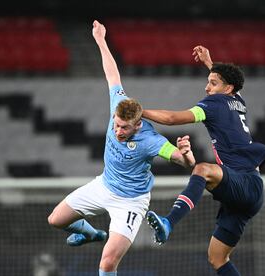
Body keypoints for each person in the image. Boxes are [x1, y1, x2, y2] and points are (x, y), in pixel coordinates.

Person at [47, 20, 196, 276]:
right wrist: (101, 40)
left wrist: (186, 154)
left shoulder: (150, 140)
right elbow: (112, 74)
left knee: (107, 263)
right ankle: (92, 234)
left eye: (123, 128)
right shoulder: (119, 104)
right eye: (115, 125)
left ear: (137, 126)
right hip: (104, 185)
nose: (117, 131)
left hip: (130, 201)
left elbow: (185, 163)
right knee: (55, 220)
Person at [144, 45, 265, 276]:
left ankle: (169, 223)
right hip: (248, 192)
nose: (206, 87)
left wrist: (139, 111)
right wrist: (210, 62)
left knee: (202, 169)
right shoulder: (238, 101)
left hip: (244, 184)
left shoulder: (212, 105)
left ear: (227, 88)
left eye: (212, 83)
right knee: (217, 258)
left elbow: (173, 118)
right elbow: (229, 82)